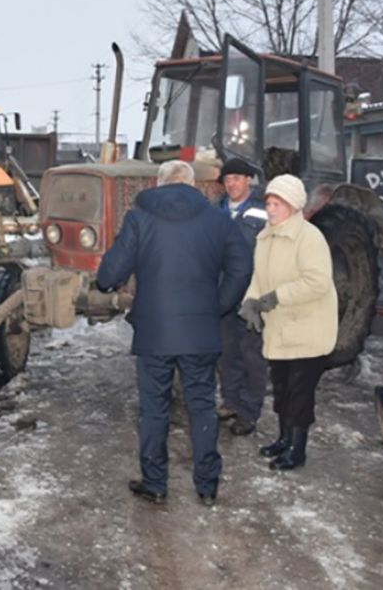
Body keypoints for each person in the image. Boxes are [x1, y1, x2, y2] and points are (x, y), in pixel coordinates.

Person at [97, 160, 251, 506]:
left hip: (154, 331)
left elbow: (110, 273)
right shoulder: (217, 219)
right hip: (200, 331)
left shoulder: (139, 218)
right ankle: (207, 486)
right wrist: (217, 305)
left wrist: (104, 281)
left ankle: (155, 482)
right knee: (201, 406)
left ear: (160, 183)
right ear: (192, 185)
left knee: (154, 410)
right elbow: (242, 267)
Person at [238, 174, 338, 472]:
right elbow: (259, 276)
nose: (270, 209)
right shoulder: (265, 236)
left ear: (293, 206)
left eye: (277, 204)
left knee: (299, 391)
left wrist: (275, 298)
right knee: (281, 387)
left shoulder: (309, 237)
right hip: (280, 328)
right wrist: (250, 301)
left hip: (307, 327)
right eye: (268, 202)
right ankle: (284, 438)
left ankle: (298, 448)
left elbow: (317, 282)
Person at [215, 158, 269, 436]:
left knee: (252, 355)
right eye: (227, 179)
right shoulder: (216, 210)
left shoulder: (263, 211)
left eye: (237, 178)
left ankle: (249, 410)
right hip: (224, 294)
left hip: (251, 295)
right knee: (226, 353)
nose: (231, 184)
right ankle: (231, 401)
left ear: (248, 180)